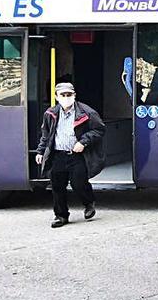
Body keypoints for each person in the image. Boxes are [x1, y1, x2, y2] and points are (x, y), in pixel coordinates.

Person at [34, 82, 106, 228]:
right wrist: (40, 151)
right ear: (56, 97)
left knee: (78, 183)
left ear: (74, 95)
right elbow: (46, 135)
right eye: (63, 95)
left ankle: (88, 203)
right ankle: (61, 216)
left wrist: (83, 142)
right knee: (57, 186)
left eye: (69, 95)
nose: (66, 98)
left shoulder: (87, 112)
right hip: (58, 155)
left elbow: (99, 130)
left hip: (77, 155)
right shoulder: (50, 114)